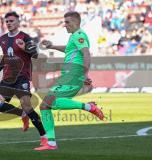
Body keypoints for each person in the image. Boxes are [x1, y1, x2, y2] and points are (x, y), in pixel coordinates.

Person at [34, 11, 104, 151]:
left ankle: (89, 107)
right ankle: (51, 142)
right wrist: (52, 46)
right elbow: (68, 50)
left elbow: (86, 53)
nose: (65, 25)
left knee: (49, 101)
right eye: (64, 22)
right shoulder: (74, 37)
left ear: (76, 22)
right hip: (69, 73)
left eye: (68, 22)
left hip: (73, 73)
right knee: (44, 106)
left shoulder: (79, 35)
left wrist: (83, 73)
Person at [0, 11, 47, 146]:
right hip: (7, 78)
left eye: (11, 21)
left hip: (22, 77)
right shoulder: (2, 39)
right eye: (7, 21)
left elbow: (35, 55)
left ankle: (44, 137)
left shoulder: (25, 37)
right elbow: (6, 57)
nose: (9, 23)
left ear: (18, 22)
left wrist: (25, 47)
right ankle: (21, 114)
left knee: (28, 107)